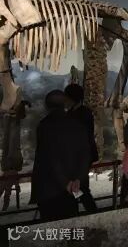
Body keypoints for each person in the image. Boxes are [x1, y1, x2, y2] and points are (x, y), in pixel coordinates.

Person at [30, 90, 90, 221]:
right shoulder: (77, 125)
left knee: (51, 227)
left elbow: (50, 158)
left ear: (46, 105)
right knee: (71, 224)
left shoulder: (44, 126)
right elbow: (85, 155)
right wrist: (78, 179)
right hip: (72, 188)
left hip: (49, 189)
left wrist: (65, 182)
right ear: (65, 104)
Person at [64, 83, 98, 213]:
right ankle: (87, 212)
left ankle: (90, 213)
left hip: (81, 157)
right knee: (80, 188)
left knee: (81, 187)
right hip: (78, 157)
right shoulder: (76, 112)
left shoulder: (82, 113)